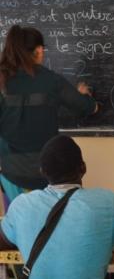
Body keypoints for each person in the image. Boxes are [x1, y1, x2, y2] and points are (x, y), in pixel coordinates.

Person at [0, 134, 114, 279]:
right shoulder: (107, 201)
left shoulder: (21, 205)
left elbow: (3, 242)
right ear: (83, 168)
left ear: (42, 171)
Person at [0, 25, 98, 210]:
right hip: (45, 175)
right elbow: (88, 108)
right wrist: (84, 95)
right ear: (38, 50)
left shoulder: (2, 81)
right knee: (47, 228)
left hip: (10, 174)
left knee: (17, 227)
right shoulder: (51, 80)